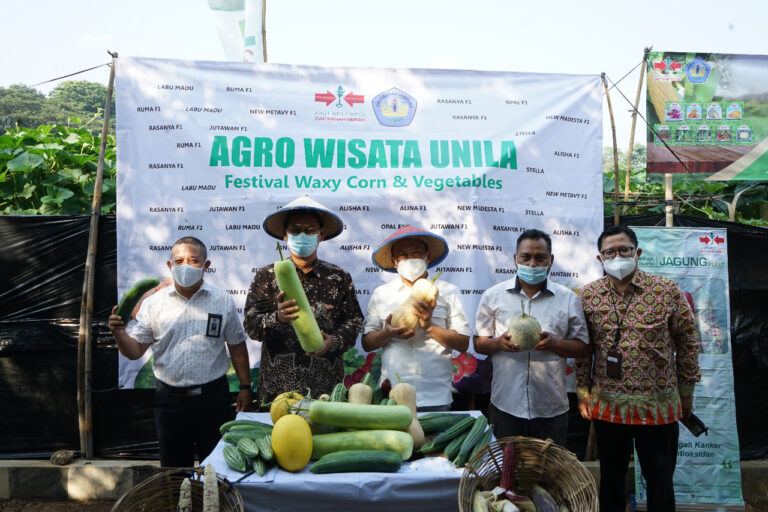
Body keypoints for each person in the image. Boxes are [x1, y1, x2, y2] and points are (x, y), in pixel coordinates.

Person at [575, 225, 701, 512]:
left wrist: (686, 390)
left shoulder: (666, 290)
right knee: (611, 480)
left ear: (638, 252)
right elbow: (583, 349)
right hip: (609, 406)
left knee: (660, 481)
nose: (617, 256)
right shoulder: (588, 296)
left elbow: (689, 341)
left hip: (659, 405)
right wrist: (583, 391)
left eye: (624, 250)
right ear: (600, 258)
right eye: (610, 251)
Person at [108, 236, 252, 467]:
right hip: (169, 401)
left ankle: (213, 505)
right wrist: (119, 334)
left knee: (216, 467)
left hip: (212, 398)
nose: (185, 265)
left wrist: (245, 387)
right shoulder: (154, 304)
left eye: (194, 260)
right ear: (169, 265)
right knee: (174, 470)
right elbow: (134, 352)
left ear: (206, 266)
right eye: (179, 260)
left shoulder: (221, 300)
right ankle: (179, 504)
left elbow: (236, 344)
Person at [474, 229, 590, 446]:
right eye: (526, 257)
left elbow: (583, 347)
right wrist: (498, 343)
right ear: (515, 259)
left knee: (549, 474)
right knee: (505, 475)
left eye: (540, 258)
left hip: (551, 407)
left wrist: (556, 344)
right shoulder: (493, 295)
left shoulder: (567, 299)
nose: (533, 264)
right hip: (505, 404)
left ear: (551, 260)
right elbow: (478, 343)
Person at [244, 195, 363, 403]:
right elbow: (252, 326)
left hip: (325, 390)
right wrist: (278, 318)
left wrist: (332, 342)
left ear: (321, 234)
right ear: (285, 235)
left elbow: (353, 322)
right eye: (295, 230)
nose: (302, 235)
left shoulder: (338, 277)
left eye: (310, 230)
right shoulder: (267, 276)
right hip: (277, 389)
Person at [362, 225, 470, 411]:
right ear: (394, 261)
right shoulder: (381, 294)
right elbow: (367, 343)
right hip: (393, 395)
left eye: (416, 253)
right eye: (403, 255)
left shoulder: (449, 292)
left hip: (436, 395)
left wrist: (429, 326)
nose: (409, 259)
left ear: (428, 257)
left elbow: (463, 343)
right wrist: (387, 333)